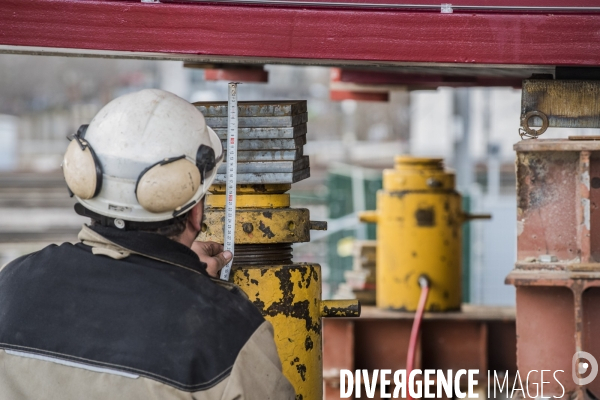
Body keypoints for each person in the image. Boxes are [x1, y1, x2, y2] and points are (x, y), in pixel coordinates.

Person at [0, 89, 295, 399]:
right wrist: (199, 297)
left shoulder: (11, 285)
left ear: (88, 181)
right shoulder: (228, 334)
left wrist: (186, 281)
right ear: (195, 214)